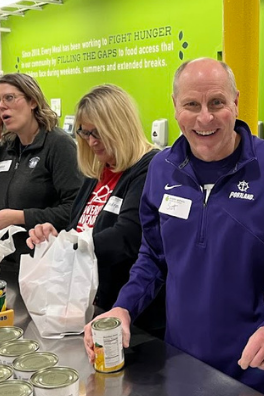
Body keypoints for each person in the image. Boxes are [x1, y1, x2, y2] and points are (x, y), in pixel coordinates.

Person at [84, 58, 264, 396]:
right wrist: (124, 307)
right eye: (191, 105)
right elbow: (153, 257)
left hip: (254, 370)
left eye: (217, 103)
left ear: (236, 102)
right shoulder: (162, 169)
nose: (205, 118)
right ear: (176, 107)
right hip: (180, 363)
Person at [26, 84, 166, 339]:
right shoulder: (97, 171)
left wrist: (67, 246)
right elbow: (78, 227)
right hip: (92, 304)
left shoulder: (150, 167)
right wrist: (57, 235)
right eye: (85, 133)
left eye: (98, 133)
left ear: (120, 127)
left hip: (134, 315)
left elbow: (127, 237)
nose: (91, 142)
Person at [0, 73, 83, 325]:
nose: (1, 107)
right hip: (7, 266)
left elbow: (74, 210)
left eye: (9, 98)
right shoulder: (5, 147)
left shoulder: (58, 146)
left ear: (33, 101)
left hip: (46, 269)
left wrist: (21, 217)